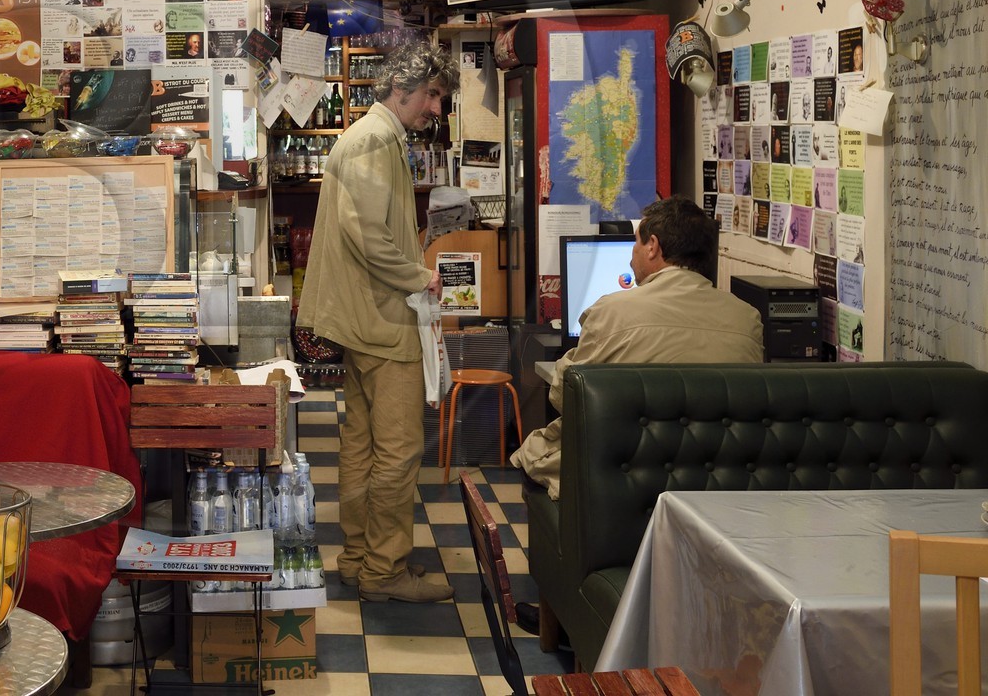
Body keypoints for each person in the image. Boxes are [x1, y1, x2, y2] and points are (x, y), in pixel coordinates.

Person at [297, 41, 459, 604]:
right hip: (384, 323)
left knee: (361, 446)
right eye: (432, 95)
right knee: (398, 450)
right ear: (401, 88)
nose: (435, 108)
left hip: (364, 320)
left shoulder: (373, 138)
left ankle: (357, 558)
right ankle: (384, 572)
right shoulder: (371, 141)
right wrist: (421, 278)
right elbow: (369, 236)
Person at [511, 197, 764, 501]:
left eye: (634, 243)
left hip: (628, 474)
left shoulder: (610, 311)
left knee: (534, 453)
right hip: (717, 478)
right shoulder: (747, 318)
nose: (631, 258)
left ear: (652, 246)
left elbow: (567, 396)